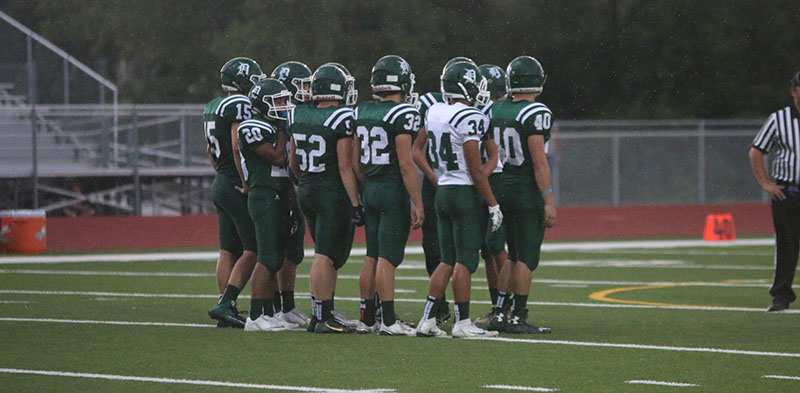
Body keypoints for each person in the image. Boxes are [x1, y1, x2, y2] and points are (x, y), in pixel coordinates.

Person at [415, 60, 503, 338]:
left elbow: (417, 149)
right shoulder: (470, 116)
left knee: (447, 259)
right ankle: (462, 322)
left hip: (442, 191)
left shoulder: (434, 111)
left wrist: (434, 177)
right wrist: (492, 203)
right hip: (463, 192)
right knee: (465, 260)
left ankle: (427, 320)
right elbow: (476, 168)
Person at [354, 55, 425, 336]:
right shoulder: (403, 113)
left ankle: (367, 317)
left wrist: (367, 183)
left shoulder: (362, 110)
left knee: (371, 255)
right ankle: (389, 320)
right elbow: (406, 164)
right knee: (387, 257)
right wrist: (417, 202)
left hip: (370, 185)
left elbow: (355, 160)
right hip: (391, 188)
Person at [289, 63, 362, 333]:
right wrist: (356, 203)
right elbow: (345, 166)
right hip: (330, 189)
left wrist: (301, 181)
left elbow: (292, 159)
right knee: (325, 255)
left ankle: (325, 312)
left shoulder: (300, 113)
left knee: (326, 253)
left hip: (307, 186)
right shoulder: (340, 117)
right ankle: (320, 316)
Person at [487, 56, 555, 334]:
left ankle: (501, 312)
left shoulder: (496, 109)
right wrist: (548, 199)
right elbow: (539, 161)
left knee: (512, 254)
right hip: (525, 187)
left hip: (500, 185)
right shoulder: (535, 112)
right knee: (525, 256)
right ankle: (519, 316)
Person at [410, 56, 475, 326]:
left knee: (451, 254)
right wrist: (433, 175)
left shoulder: (443, 108)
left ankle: (436, 315)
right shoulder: (431, 105)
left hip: (451, 183)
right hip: (453, 185)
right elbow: (416, 147)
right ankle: (451, 314)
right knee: (441, 251)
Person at [236, 77, 300, 331]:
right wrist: (283, 131)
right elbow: (276, 157)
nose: (283, 106)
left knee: (279, 256)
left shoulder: (273, 125)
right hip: (264, 195)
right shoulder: (252, 126)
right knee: (268, 257)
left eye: (285, 100)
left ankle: (268, 311)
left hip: (280, 194)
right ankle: (255, 315)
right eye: (278, 101)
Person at [205, 57, 264, 328]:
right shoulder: (239, 104)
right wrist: (246, 181)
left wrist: (222, 172)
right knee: (253, 247)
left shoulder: (213, 105)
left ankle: (223, 304)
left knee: (228, 249)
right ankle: (227, 302)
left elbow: (210, 150)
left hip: (220, 179)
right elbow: (238, 145)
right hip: (234, 181)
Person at [749, 70, 800, 312]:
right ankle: (781, 295)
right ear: (793, 91)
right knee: (787, 244)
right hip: (788, 191)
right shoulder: (779, 120)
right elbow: (756, 150)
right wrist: (766, 183)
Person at [269, 61, 314, 327]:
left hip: (293, 185)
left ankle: (285, 304)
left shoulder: (297, 113)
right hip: (277, 186)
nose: (307, 90)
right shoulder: (276, 117)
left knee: (294, 250)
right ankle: (275, 306)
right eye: (303, 85)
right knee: (275, 249)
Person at [474, 64, 510, 327]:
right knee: (490, 249)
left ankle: (504, 308)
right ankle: (500, 307)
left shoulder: (484, 113)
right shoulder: (515, 110)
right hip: (502, 179)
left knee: (496, 248)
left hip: (496, 180)